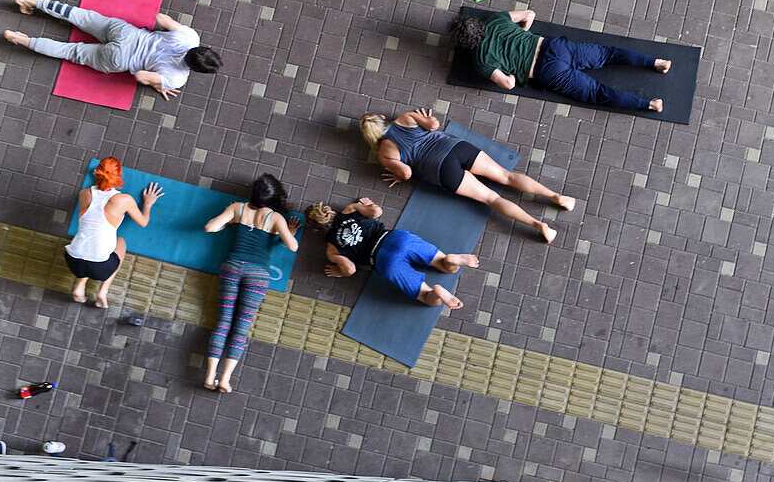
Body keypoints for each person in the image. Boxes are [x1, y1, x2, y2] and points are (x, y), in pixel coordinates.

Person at [359, 109, 574, 243]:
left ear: (371, 138)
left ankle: (540, 226)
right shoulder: (405, 118)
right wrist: (425, 120)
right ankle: (557, 197)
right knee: (506, 175)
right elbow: (434, 124)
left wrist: (398, 173)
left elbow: (406, 173)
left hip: (440, 169)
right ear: (382, 118)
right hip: (453, 147)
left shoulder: (385, 154)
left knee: (492, 199)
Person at [4, 0, 222, 101]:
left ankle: (31, 1)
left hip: (127, 33)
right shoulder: (177, 78)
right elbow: (140, 77)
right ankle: (21, 40)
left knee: (80, 16)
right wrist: (159, 84)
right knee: (70, 52)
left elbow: (160, 18)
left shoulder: (190, 37)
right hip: (120, 59)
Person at [449, 10, 670, 112]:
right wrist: (524, 33)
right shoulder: (496, 19)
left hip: (546, 71)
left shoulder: (481, 60)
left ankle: (650, 104)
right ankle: (656, 61)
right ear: (475, 23)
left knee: (597, 93)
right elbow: (530, 14)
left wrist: (513, 71)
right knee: (609, 54)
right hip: (554, 47)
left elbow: (509, 84)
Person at [203, 174, 300, 393]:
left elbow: (209, 228)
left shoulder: (237, 207)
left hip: (232, 267)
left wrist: (229, 221)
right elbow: (293, 246)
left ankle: (210, 376)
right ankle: (225, 380)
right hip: (257, 275)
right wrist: (288, 232)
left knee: (223, 321)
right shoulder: (275, 218)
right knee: (241, 327)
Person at [307, 198, 477, 309]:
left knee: (428, 298)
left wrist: (339, 271)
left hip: (383, 261)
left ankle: (438, 292)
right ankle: (452, 259)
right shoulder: (350, 210)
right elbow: (376, 212)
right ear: (328, 210)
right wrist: (367, 205)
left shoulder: (331, 249)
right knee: (445, 265)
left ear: (316, 230)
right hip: (396, 238)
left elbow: (350, 269)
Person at [65, 157, 163, 309]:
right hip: (100, 269)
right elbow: (143, 222)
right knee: (121, 242)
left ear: (97, 173)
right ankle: (103, 292)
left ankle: (79, 286)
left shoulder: (84, 193)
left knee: (88, 246)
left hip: (73, 261)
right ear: (119, 176)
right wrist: (148, 204)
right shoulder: (124, 199)